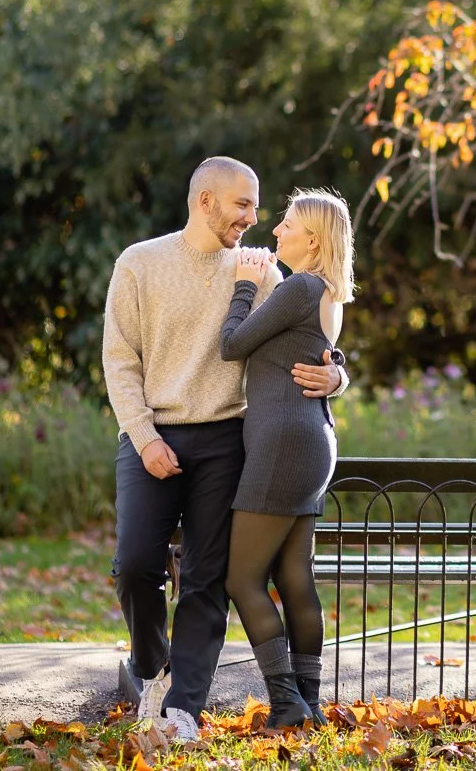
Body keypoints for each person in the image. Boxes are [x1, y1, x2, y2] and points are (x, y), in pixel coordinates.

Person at [102, 157, 347, 741]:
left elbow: (317, 333)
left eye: (259, 208)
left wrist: (339, 374)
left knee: (209, 578)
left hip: (229, 440)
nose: (253, 219)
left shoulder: (261, 272)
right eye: (243, 205)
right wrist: (144, 436)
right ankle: (152, 667)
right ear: (204, 201)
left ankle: (185, 707)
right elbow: (119, 360)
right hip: (152, 434)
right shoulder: (139, 263)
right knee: (136, 566)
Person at [220, 188, 353, 729]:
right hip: (314, 441)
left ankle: (286, 705)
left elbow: (232, 344)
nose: (275, 232)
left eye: (287, 225)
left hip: (282, 444)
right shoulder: (328, 294)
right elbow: (322, 358)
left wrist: (244, 286)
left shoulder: (299, 286)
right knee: (294, 576)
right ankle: (310, 704)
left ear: (314, 238)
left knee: (242, 580)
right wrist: (340, 376)